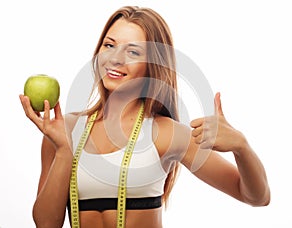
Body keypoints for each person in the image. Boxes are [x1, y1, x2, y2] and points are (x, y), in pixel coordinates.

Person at [19, 6, 270, 228]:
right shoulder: (66, 129)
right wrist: (64, 150)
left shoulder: (167, 134)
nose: (115, 59)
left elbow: (257, 197)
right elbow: (46, 224)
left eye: (133, 52)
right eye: (109, 45)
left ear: (153, 64)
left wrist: (241, 147)